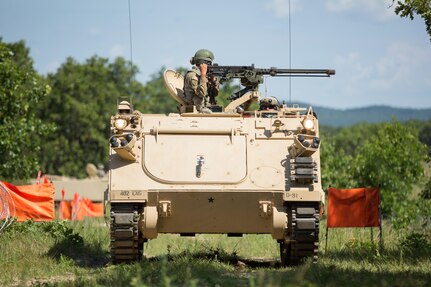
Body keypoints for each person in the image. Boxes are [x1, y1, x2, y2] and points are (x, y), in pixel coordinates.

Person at [183, 49, 219, 113]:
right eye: (209, 63)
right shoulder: (192, 75)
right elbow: (201, 94)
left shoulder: (205, 75)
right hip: (196, 110)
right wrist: (203, 76)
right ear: (203, 63)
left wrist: (213, 82)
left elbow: (215, 94)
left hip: (205, 108)